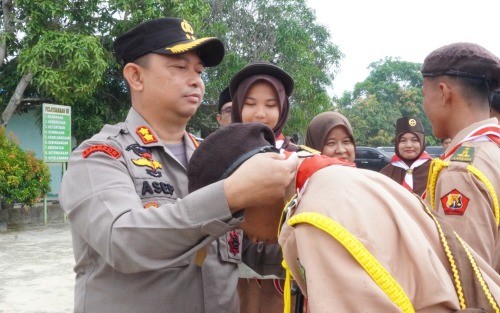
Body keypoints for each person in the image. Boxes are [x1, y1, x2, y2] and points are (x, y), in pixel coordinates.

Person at [58, 17, 298, 313]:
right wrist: (230, 194)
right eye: (179, 67)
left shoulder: (215, 157)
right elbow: (121, 240)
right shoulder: (101, 155)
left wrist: (311, 252)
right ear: (136, 76)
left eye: (198, 70)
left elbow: (242, 250)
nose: (196, 79)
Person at [188, 122, 500, 312]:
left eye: (238, 223)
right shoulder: (337, 181)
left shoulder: (313, 218)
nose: (250, 238)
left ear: (254, 190)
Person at [420, 42, 500, 272]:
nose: (424, 105)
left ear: (444, 93)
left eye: (424, 94)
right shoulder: (492, 152)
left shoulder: (461, 171)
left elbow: (466, 283)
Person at [228, 61, 300, 313]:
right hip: (229, 276)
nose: (260, 113)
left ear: (283, 109)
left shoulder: (298, 158)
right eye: (250, 103)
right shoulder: (220, 155)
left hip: (283, 278)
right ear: (238, 106)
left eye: (271, 105)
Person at [380, 117, 432, 196]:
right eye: (403, 141)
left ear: (422, 142)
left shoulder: (435, 170)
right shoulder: (385, 173)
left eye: (414, 140)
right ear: (397, 143)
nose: (408, 145)